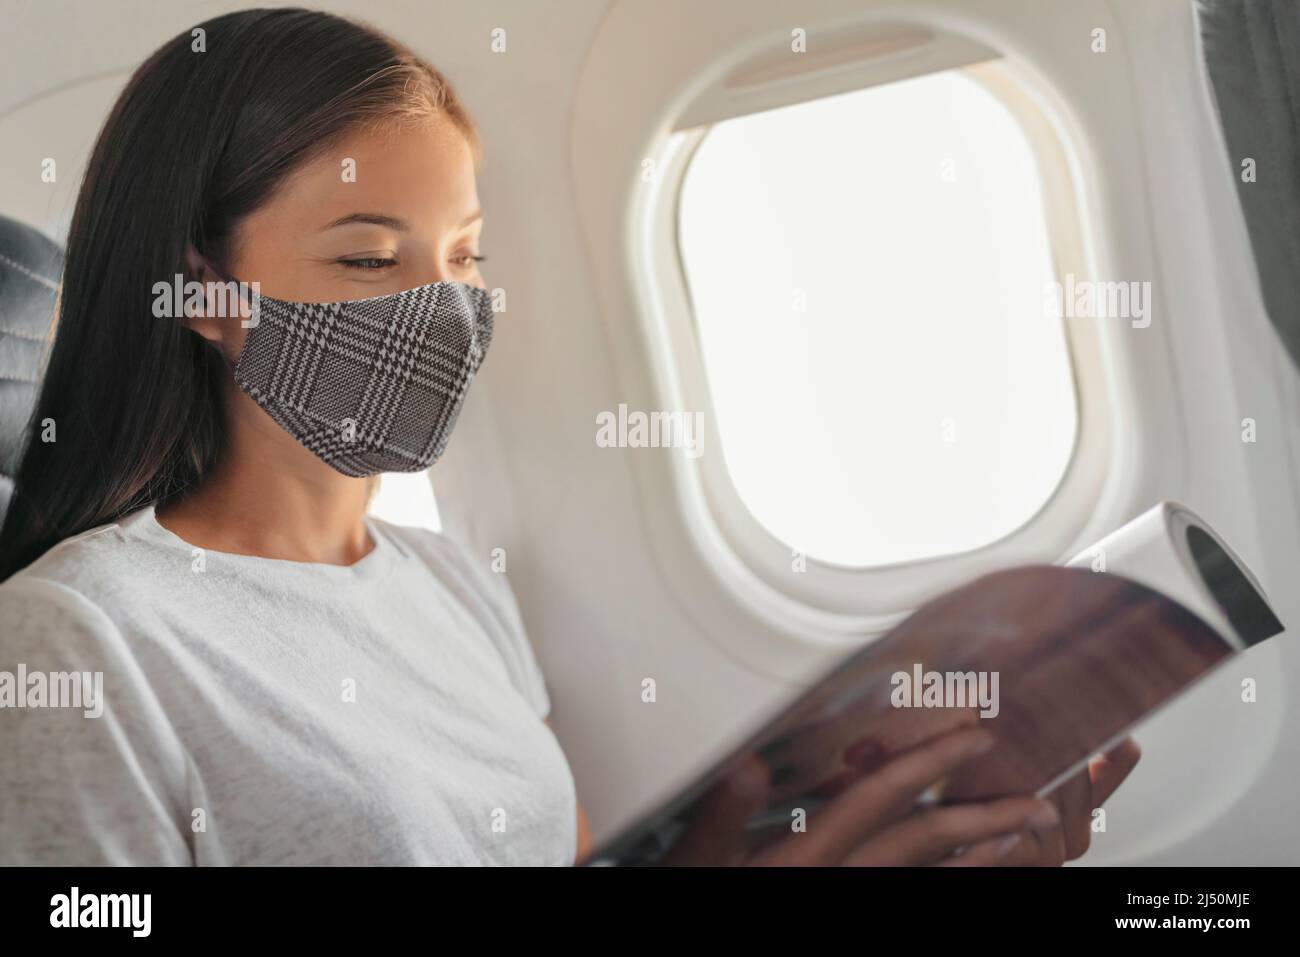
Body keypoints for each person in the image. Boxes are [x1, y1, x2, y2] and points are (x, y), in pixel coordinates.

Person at [0, 7, 1137, 866]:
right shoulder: (74, 639)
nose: (440, 308)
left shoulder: (450, 585)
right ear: (201, 292)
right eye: (366, 257)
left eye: (463, 256)